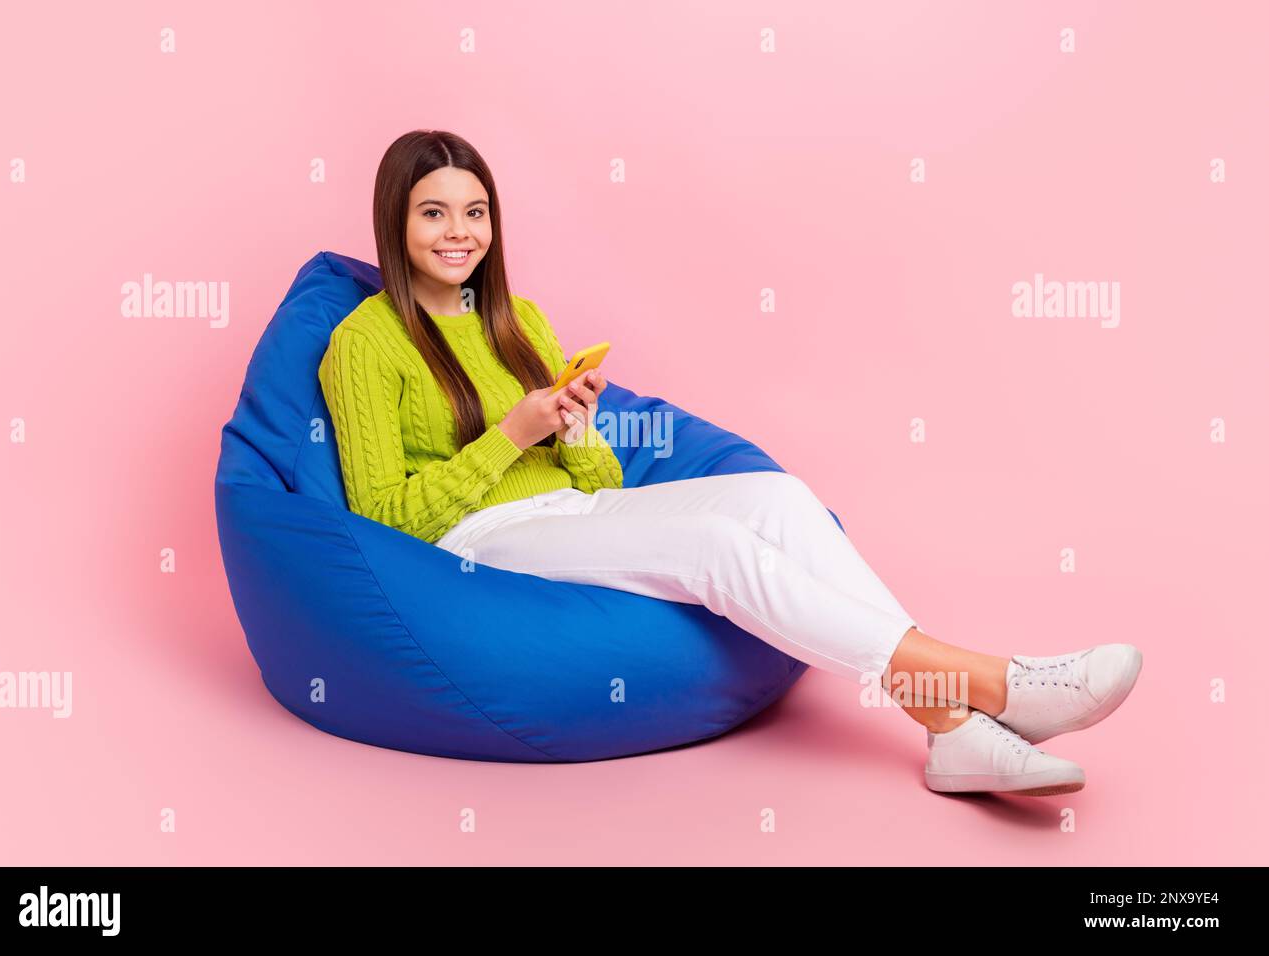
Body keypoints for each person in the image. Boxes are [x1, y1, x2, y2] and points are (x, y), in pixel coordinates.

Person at [318, 129, 1143, 797]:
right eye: (433, 213)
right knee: (715, 548)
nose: (458, 233)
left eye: (475, 211)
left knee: (778, 500)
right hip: (476, 541)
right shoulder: (363, 343)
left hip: (567, 514)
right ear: (395, 222)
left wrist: (571, 425)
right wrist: (509, 433)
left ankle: (952, 732)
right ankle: (996, 683)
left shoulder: (518, 319)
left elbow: (599, 484)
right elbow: (384, 518)